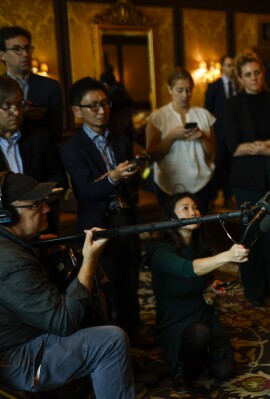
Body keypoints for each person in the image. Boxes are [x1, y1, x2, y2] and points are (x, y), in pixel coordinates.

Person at [0, 172, 137, 398]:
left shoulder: (11, 247)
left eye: (45, 201)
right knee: (111, 341)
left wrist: (32, 249)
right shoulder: (13, 263)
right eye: (36, 204)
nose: (46, 209)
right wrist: (90, 260)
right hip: (15, 359)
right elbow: (64, 322)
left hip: (20, 342)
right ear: (6, 215)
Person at [60, 77, 144, 343]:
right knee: (104, 286)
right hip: (96, 223)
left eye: (105, 103)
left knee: (130, 278)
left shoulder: (120, 136)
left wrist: (132, 174)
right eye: (93, 105)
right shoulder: (72, 147)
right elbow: (85, 191)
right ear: (77, 111)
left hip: (126, 217)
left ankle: (133, 332)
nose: (101, 110)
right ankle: (108, 337)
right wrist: (113, 178)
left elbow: (129, 178)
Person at [148, 192, 248, 393]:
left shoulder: (199, 248)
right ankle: (180, 371)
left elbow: (200, 278)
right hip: (175, 320)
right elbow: (187, 269)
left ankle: (195, 356)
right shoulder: (161, 252)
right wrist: (227, 256)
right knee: (199, 333)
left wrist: (209, 286)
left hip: (200, 313)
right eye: (185, 208)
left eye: (195, 207)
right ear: (172, 218)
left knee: (224, 371)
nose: (193, 212)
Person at [223, 50, 270, 306]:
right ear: (240, 78)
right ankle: (254, 291)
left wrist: (269, 145)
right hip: (247, 180)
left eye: (258, 72)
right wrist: (267, 145)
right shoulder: (231, 105)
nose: (254, 78)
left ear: (263, 72)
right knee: (251, 235)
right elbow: (234, 147)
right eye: (248, 74)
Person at [0, 75, 66, 234]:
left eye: (19, 104)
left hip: (41, 223)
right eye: (7, 106)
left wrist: (48, 192)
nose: (15, 112)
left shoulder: (40, 138)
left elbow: (59, 175)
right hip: (5, 230)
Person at [146, 67, 216, 213]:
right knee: (170, 230)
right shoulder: (158, 117)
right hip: (168, 184)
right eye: (180, 90)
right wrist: (171, 136)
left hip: (201, 182)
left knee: (201, 229)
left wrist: (203, 137)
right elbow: (151, 157)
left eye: (189, 90)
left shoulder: (204, 115)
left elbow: (213, 154)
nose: (185, 95)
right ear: (170, 89)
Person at [0, 26, 64, 143]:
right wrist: (23, 116)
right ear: (2, 55)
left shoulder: (50, 86)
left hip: (41, 153)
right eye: (17, 49)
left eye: (27, 48)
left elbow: (56, 133)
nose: (25, 54)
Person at [205, 54, 238, 208]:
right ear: (222, 67)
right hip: (218, 134)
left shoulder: (239, 85)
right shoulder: (213, 87)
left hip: (235, 134)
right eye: (229, 65)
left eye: (233, 65)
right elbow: (208, 112)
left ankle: (228, 196)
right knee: (217, 166)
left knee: (232, 167)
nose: (231, 68)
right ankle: (211, 196)